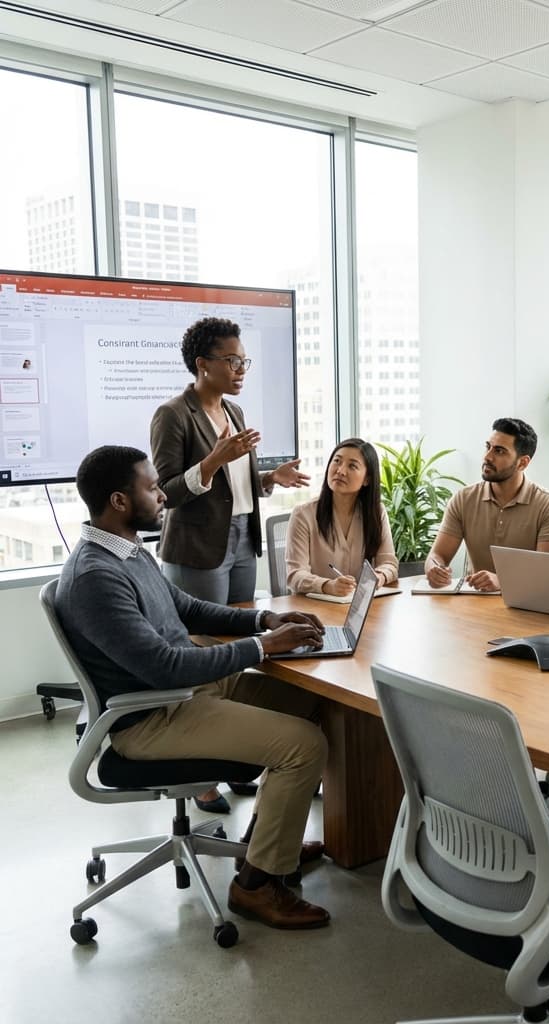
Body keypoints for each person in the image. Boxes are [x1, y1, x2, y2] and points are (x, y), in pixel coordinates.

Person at [55, 445, 332, 930]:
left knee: (311, 698)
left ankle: (264, 846)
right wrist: (263, 646)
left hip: (184, 694)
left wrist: (264, 619)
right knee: (305, 746)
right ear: (120, 501)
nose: (163, 494)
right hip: (152, 715)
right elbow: (165, 666)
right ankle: (256, 887)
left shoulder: (125, 548)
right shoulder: (96, 576)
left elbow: (188, 608)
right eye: (151, 486)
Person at [151, 316, 309, 812]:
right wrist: (215, 460)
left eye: (245, 361)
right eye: (232, 360)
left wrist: (268, 477)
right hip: (198, 544)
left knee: (238, 648)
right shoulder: (173, 415)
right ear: (203, 364)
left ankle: (234, 752)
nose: (241, 369)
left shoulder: (234, 410)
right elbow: (165, 493)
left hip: (242, 538)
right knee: (200, 651)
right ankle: (199, 775)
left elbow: (236, 487)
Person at [425, 417, 549, 592]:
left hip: (527, 607)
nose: (487, 456)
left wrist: (502, 581)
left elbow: (547, 572)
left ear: (523, 462)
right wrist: (434, 567)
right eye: (488, 447)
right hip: (475, 604)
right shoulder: (464, 499)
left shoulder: (548, 504)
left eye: (499, 451)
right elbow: (438, 555)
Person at [285, 438, 399, 596]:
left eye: (352, 466)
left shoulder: (376, 512)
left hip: (358, 608)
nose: (340, 470)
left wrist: (378, 577)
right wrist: (327, 586)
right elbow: (295, 575)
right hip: (314, 608)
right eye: (337, 461)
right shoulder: (303, 515)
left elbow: (389, 563)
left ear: (367, 479)